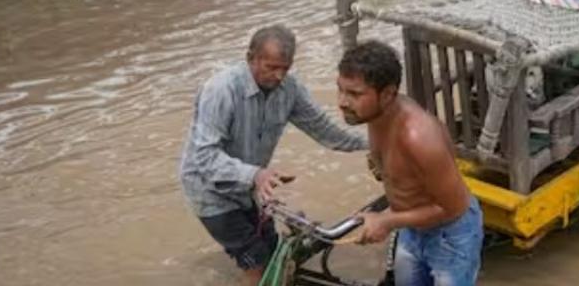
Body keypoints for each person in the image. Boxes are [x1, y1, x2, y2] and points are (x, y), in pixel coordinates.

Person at [179, 25, 368, 285]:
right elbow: (204, 157)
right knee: (256, 263)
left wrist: (371, 144)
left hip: (249, 187)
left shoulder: (289, 90)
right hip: (209, 189)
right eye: (271, 67)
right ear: (250, 58)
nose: (279, 76)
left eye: (285, 68)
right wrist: (255, 174)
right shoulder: (221, 90)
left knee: (276, 251)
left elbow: (325, 130)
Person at [337, 41, 482, 286]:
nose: (342, 102)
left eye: (354, 94)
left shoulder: (418, 137)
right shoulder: (373, 115)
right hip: (412, 228)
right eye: (340, 89)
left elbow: (450, 208)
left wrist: (386, 220)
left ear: (387, 94)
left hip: (450, 235)